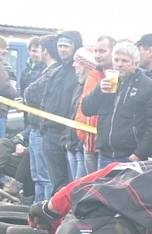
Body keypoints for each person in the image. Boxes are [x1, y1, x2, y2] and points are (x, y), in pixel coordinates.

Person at [82, 42, 152, 167]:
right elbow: (86, 109)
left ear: (135, 64)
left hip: (130, 157)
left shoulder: (148, 86)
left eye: (125, 61)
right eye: (116, 60)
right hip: (105, 155)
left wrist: (139, 153)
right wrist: (98, 90)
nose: (119, 64)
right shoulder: (107, 83)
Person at [41, 30, 82, 195]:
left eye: (66, 45)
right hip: (49, 134)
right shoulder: (56, 71)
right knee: (56, 183)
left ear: (75, 47)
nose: (62, 49)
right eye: (60, 46)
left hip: (68, 136)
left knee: (69, 185)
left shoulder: (79, 72)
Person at [23, 35, 59, 203]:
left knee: (45, 178)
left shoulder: (54, 71)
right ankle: (36, 214)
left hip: (43, 129)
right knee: (38, 177)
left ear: (46, 50)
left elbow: (30, 93)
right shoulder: (43, 70)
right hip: (35, 127)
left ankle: (43, 215)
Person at [66, 47, 96, 180]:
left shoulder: (94, 87)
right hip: (72, 144)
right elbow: (73, 115)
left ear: (86, 65)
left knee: (80, 191)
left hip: (83, 147)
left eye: (76, 61)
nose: (73, 65)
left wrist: (80, 143)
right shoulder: (79, 87)